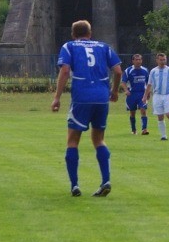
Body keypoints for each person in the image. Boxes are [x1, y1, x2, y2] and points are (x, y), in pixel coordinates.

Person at [51, 20, 122, 197]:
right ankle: (106, 180)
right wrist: (113, 91)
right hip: (101, 97)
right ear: (90, 33)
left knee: (73, 141)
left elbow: (65, 71)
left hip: (81, 97)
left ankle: (75, 185)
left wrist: (57, 97)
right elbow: (118, 71)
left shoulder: (69, 46)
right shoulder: (103, 47)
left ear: (73, 34)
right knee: (99, 139)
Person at [144, 53, 169, 141]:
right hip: (157, 95)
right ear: (157, 60)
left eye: (164, 59)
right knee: (160, 116)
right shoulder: (153, 71)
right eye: (161, 60)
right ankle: (163, 136)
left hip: (167, 95)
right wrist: (145, 96)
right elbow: (149, 84)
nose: (163, 61)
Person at [120, 54, 149, 135]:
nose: (138, 61)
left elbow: (149, 82)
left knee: (143, 110)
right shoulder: (128, 70)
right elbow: (123, 82)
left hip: (142, 94)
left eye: (139, 59)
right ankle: (133, 129)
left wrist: (148, 92)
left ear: (141, 60)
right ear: (133, 61)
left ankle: (144, 129)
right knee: (132, 112)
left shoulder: (145, 70)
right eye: (136, 60)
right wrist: (126, 90)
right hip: (132, 94)